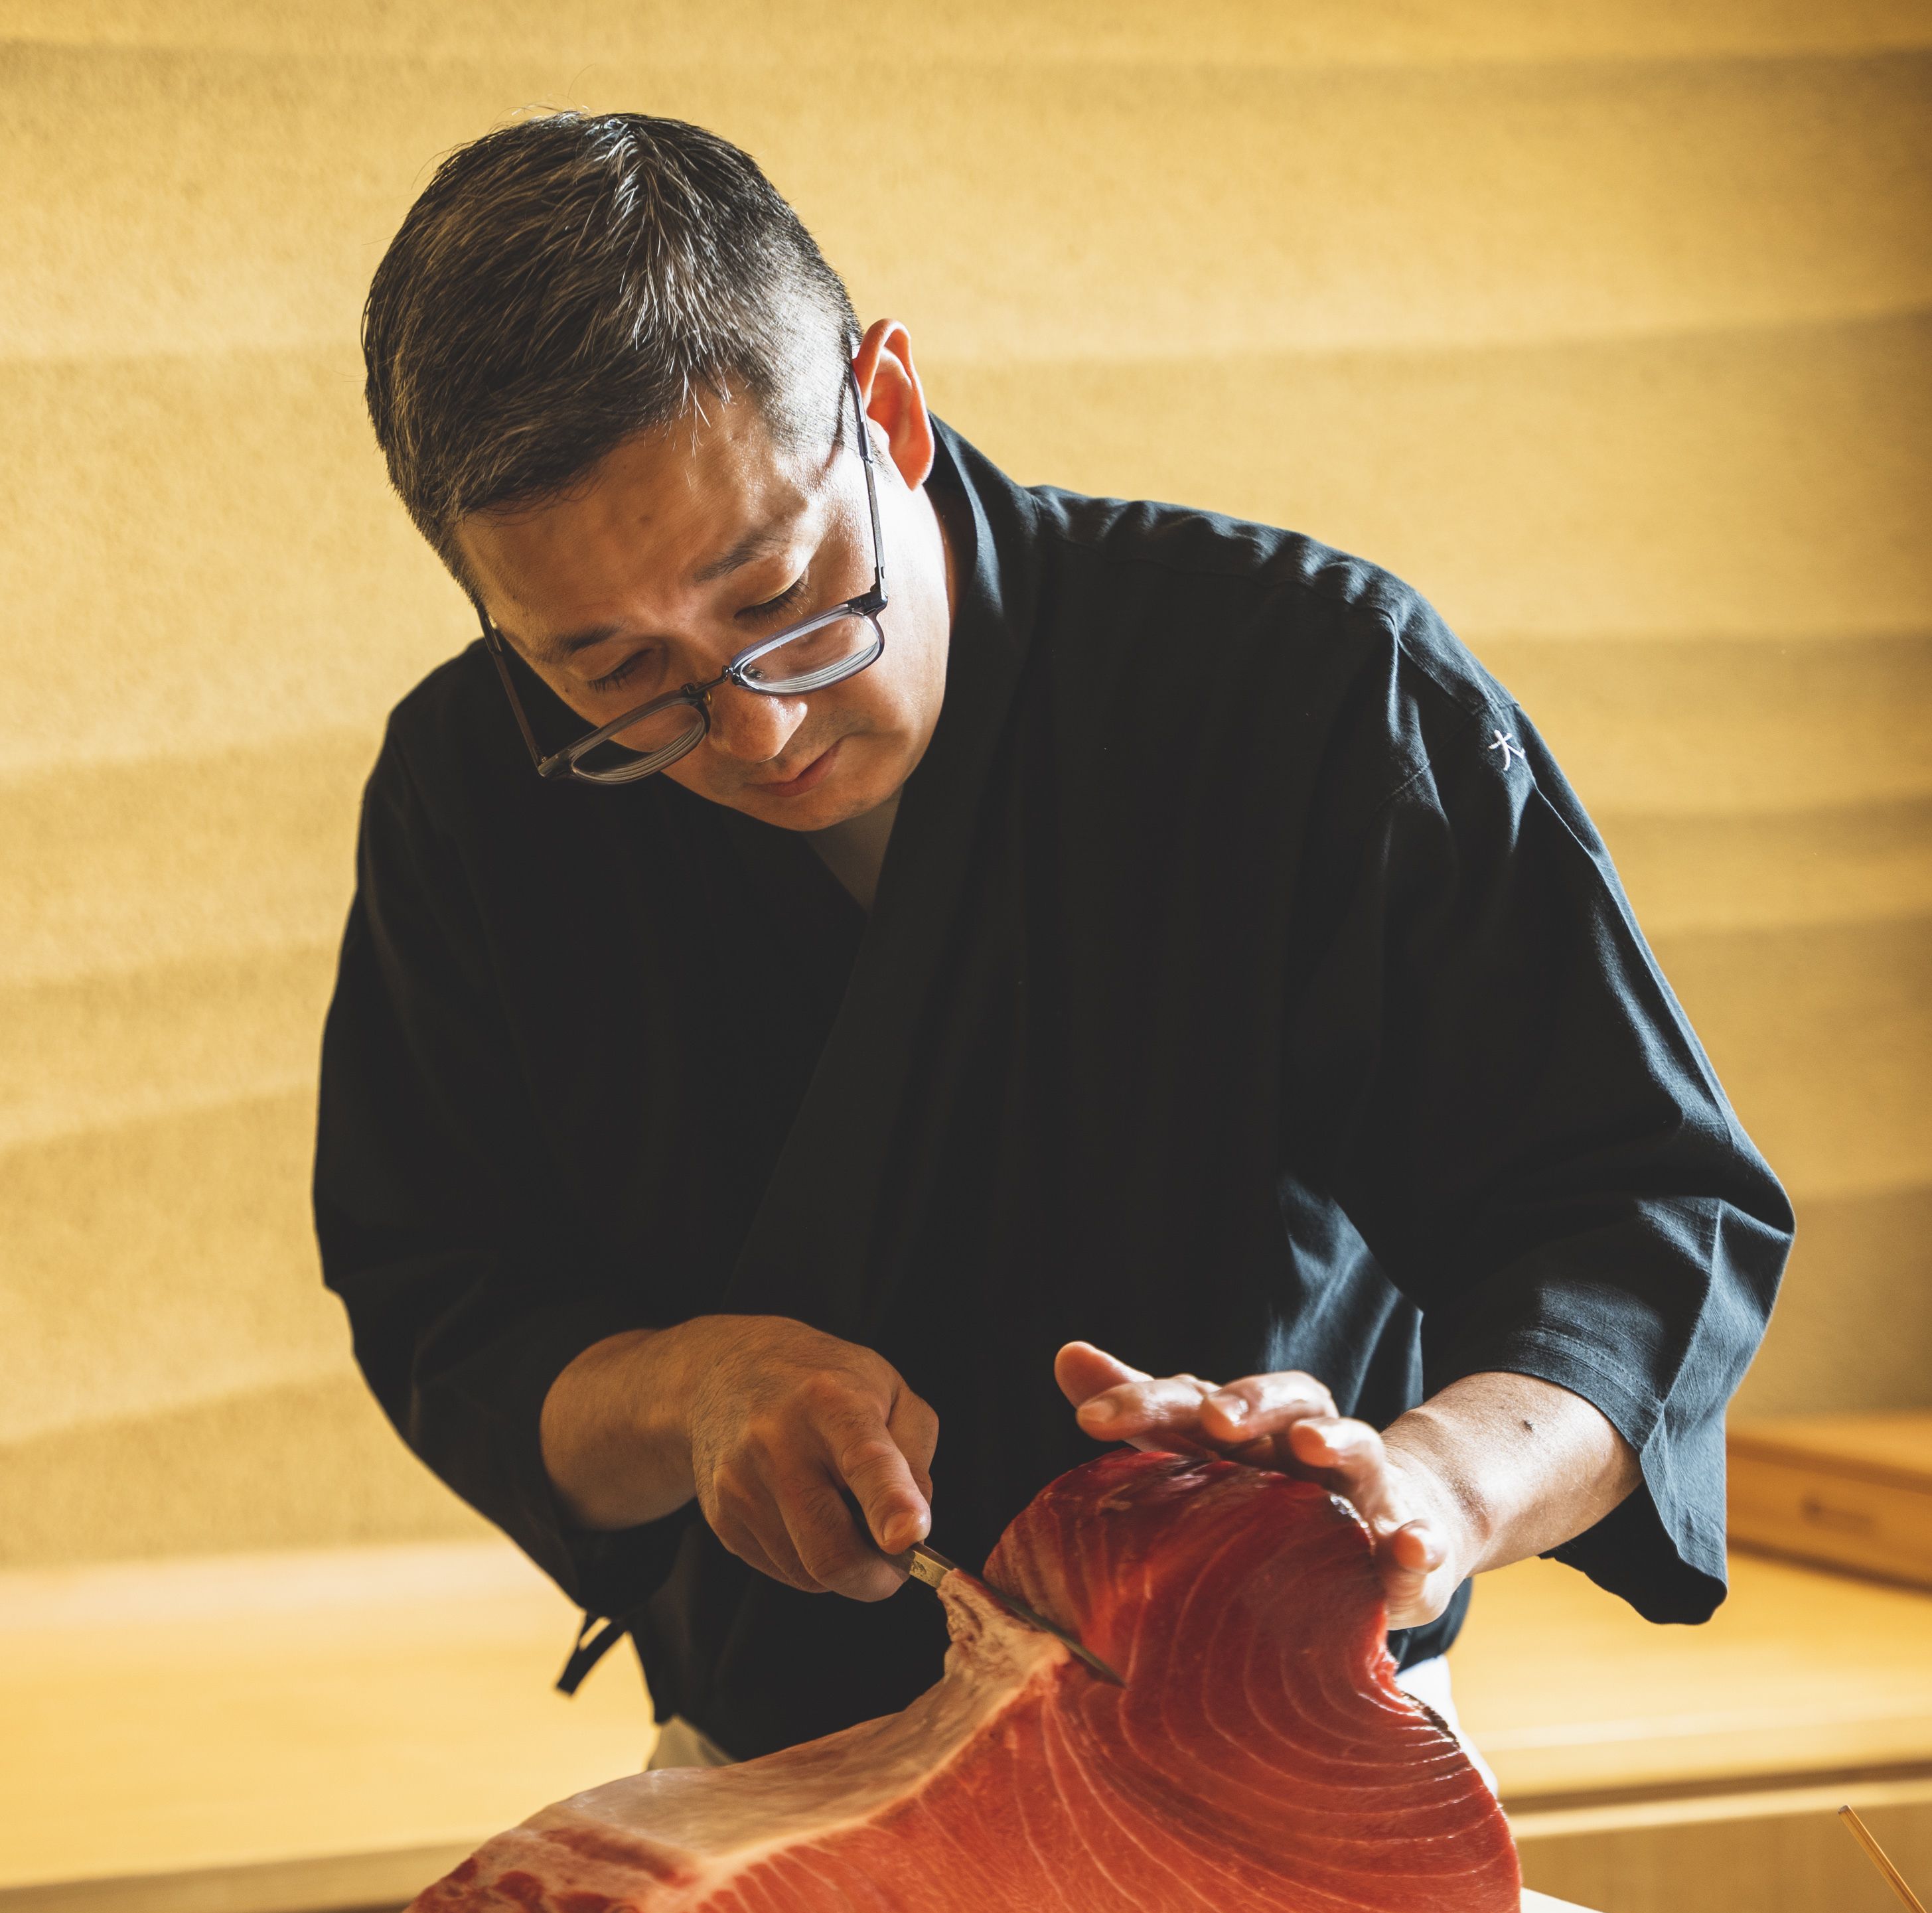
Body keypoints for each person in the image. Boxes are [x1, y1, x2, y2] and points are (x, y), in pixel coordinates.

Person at [315, 112, 1792, 1767]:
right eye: (614, 672)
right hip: (771, 1761)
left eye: (775, 598)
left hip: (1287, 1735)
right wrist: (687, 1389)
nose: (749, 728)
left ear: (885, 408)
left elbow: (1641, 1218)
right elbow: (445, 1302)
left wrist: (1434, 1487)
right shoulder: (471, 790)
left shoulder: (1305, 686)